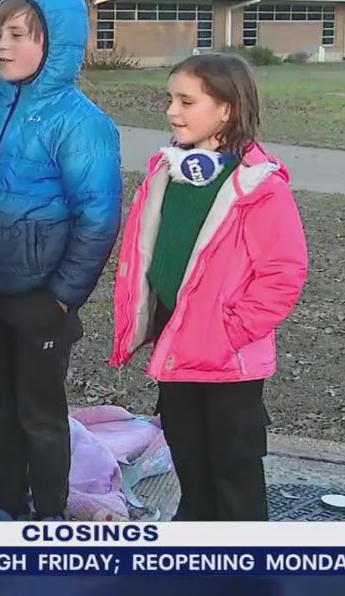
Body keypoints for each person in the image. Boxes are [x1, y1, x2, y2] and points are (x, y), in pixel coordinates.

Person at [0, 0, 123, 521]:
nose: (2, 45)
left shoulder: (82, 123)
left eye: (17, 34)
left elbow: (99, 218)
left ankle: (47, 520)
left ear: (55, 43)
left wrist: (62, 298)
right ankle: (7, 509)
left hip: (40, 299)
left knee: (39, 416)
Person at [109, 52, 309, 521]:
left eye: (186, 101)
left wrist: (230, 330)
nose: (171, 111)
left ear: (227, 109)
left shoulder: (260, 187)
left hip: (228, 362)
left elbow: (283, 272)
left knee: (233, 473)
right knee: (190, 464)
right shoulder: (167, 172)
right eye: (170, 99)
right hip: (177, 348)